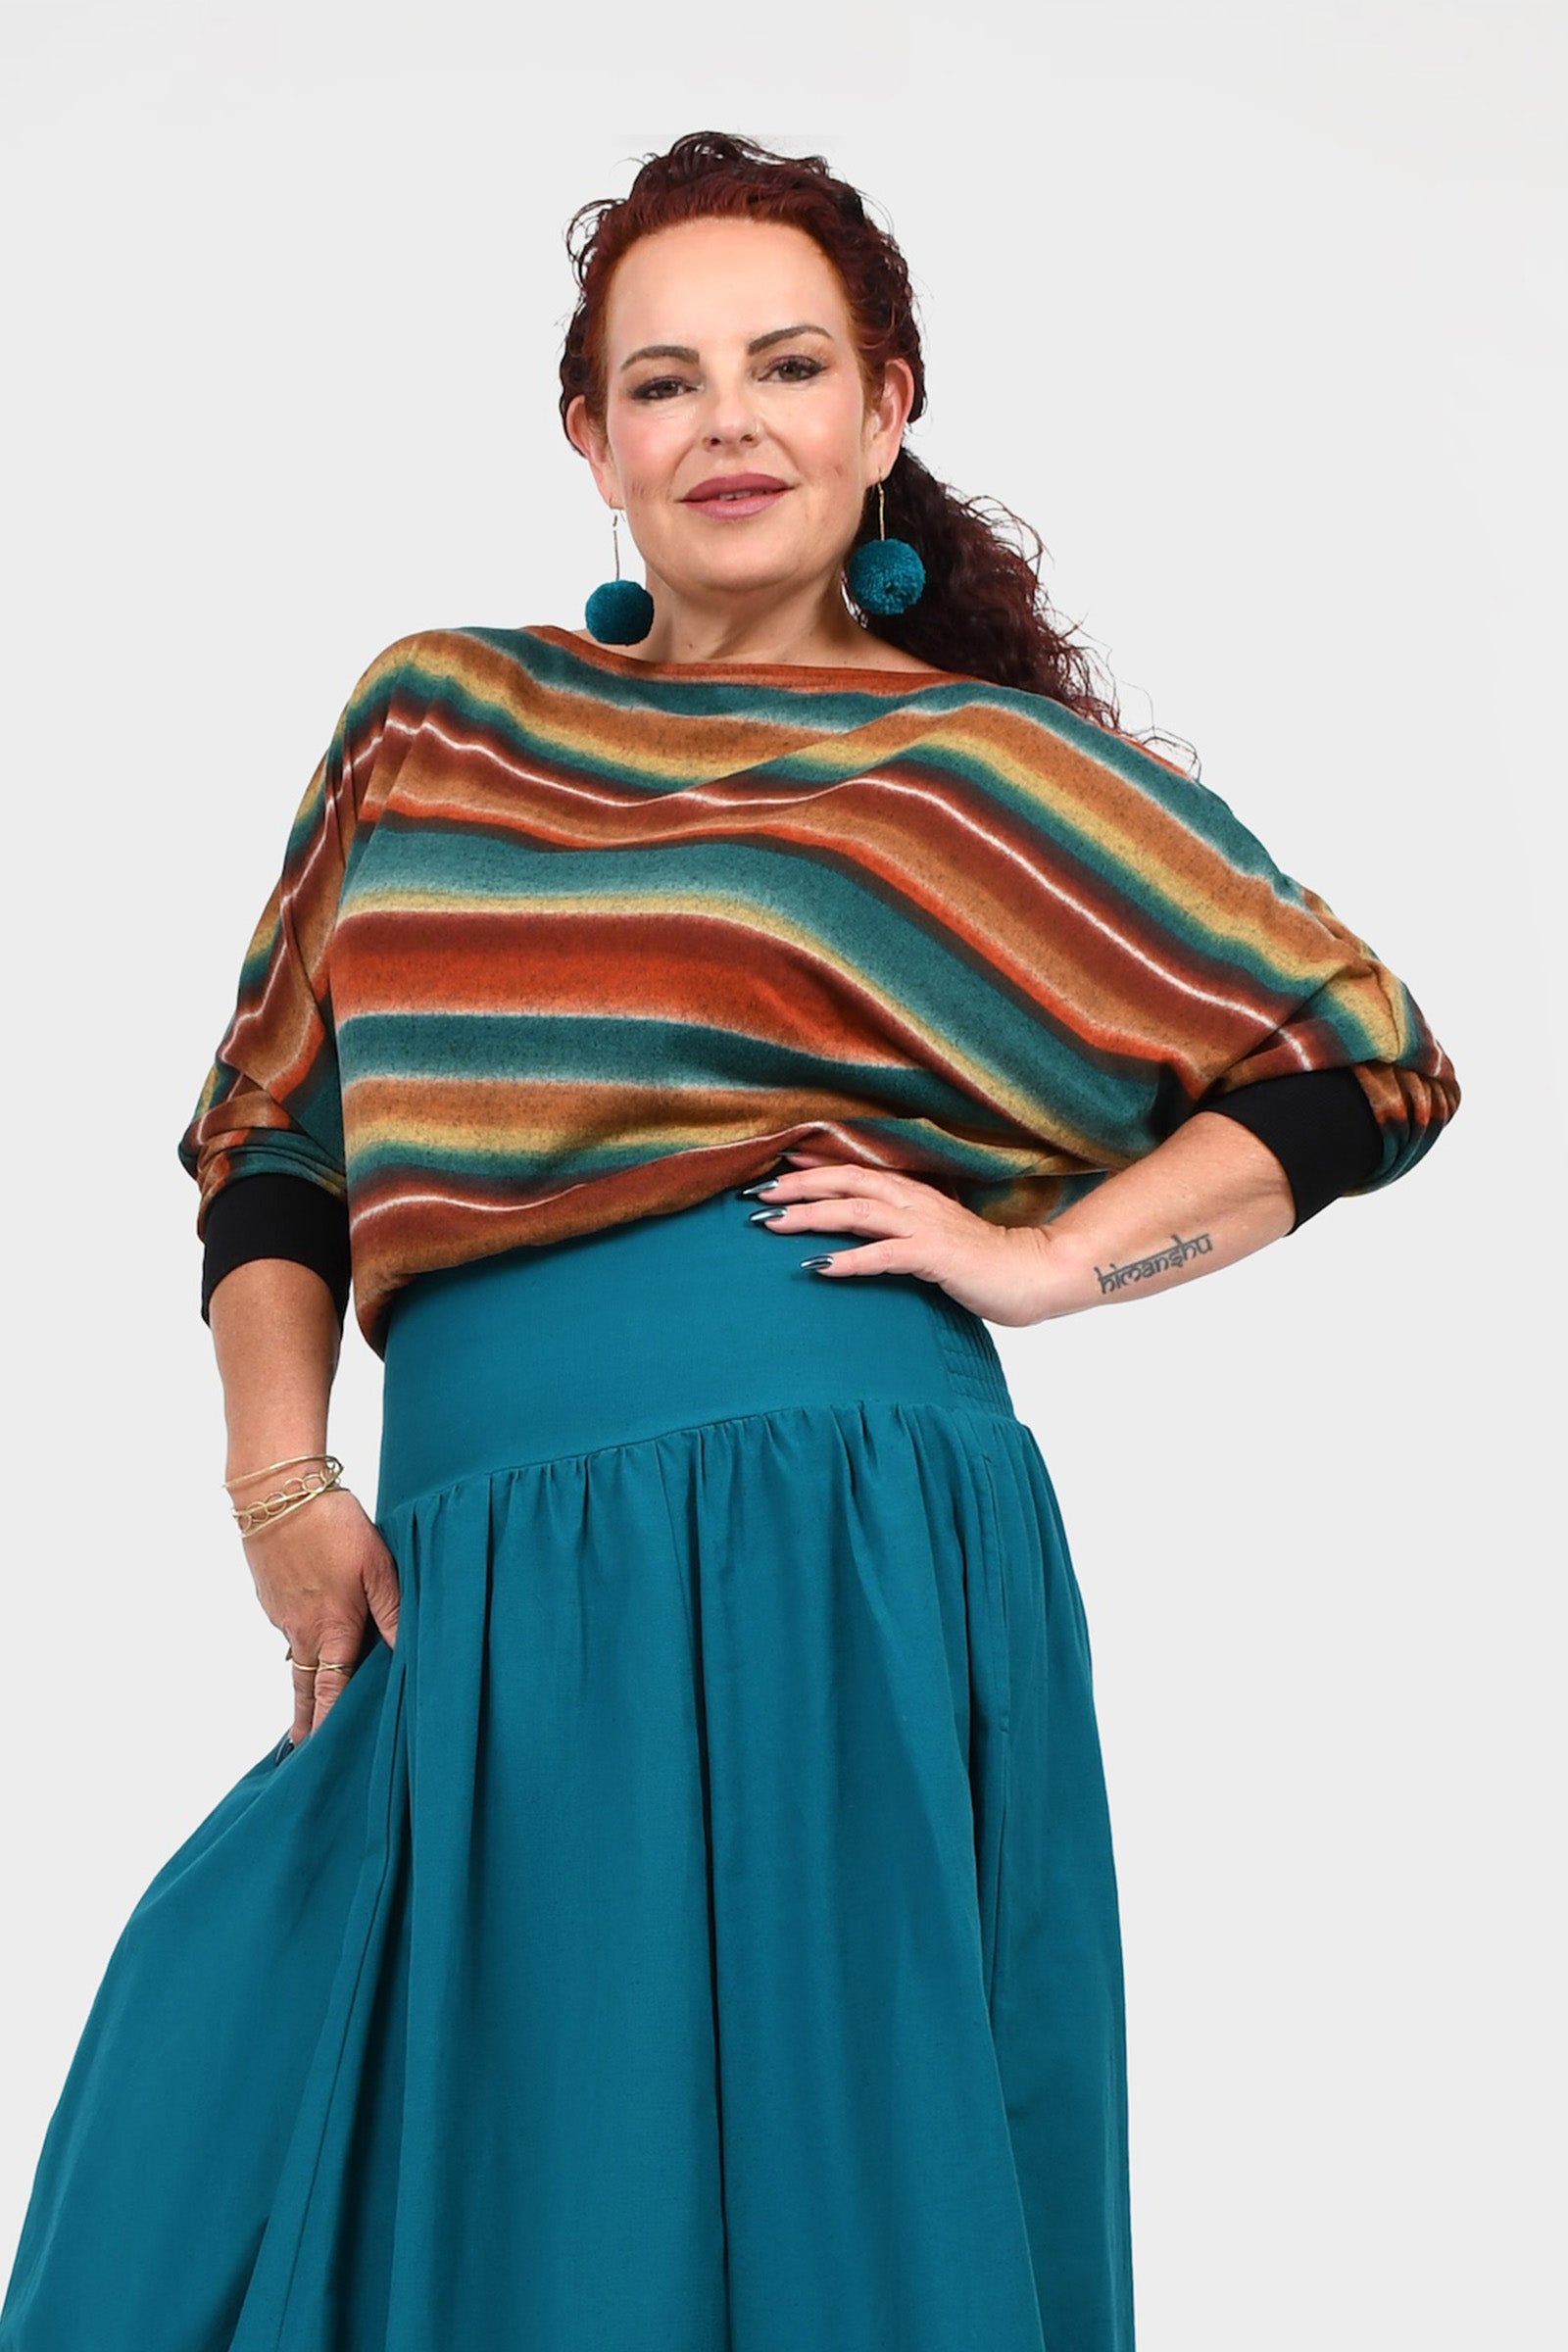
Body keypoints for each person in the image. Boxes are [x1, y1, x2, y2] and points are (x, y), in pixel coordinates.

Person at [0, 130, 1458, 2352]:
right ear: (590, 440)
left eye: (788, 367)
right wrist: (278, 1484)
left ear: (885, 408)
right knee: (209, 2167)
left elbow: (1362, 1060)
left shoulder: (969, 769)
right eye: (663, 382)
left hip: (825, 1535)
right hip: (473, 1553)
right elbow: (271, 1134)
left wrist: (1051, 1262)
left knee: (818, 2213)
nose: (728, 424)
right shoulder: (438, 718)